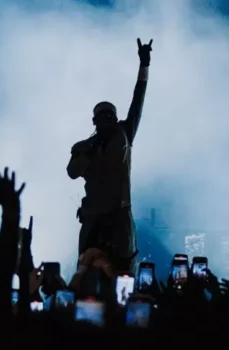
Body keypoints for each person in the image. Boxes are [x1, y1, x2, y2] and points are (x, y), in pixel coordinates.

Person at [67, 38, 153, 275]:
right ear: (94, 120)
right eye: (102, 115)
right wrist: (91, 150)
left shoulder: (124, 133)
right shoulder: (83, 146)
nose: (107, 118)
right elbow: (72, 172)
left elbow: (138, 100)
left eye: (110, 115)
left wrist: (144, 65)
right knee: (86, 273)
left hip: (119, 217)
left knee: (123, 273)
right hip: (94, 218)